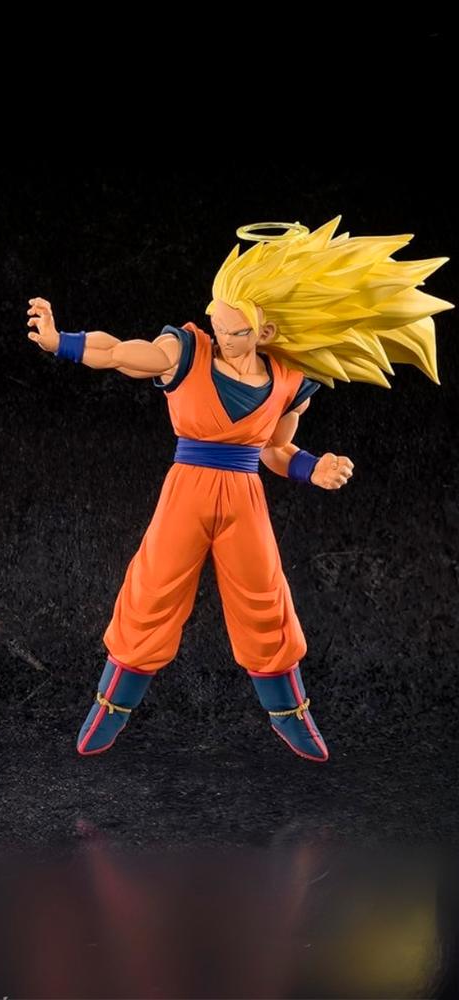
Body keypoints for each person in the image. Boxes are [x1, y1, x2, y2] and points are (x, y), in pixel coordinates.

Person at [27, 218, 451, 761]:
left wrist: (313, 467)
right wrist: (60, 342)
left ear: (265, 332)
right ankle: (111, 705)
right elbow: (118, 353)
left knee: (265, 598)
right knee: (152, 590)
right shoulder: (185, 351)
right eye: (217, 320)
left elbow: (275, 450)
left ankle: (289, 713)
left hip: (244, 498)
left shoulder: (289, 381)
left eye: (234, 329)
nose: (220, 334)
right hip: (187, 490)